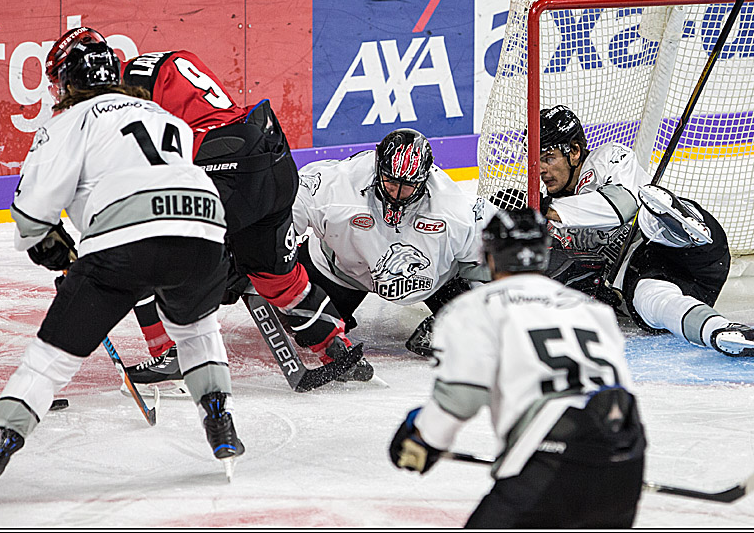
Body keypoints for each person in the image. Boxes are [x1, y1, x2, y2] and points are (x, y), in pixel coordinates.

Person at [0, 29, 243, 509]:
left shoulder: (68, 121)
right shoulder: (163, 114)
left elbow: (32, 214)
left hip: (125, 245)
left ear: (65, 82)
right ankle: (219, 420)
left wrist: (49, 248)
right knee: (195, 328)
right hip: (205, 232)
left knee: (50, 359)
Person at [115, 38, 371, 384]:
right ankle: (334, 345)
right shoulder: (172, 60)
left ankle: (172, 353)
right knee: (276, 275)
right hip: (270, 156)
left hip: (227, 172)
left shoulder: (115, 94)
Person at [389, 206, 646, 528]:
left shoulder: (476, 306)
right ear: (543, 252)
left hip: (549, 455)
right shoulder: (591, 309)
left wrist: (423, 437)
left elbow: (461, 398)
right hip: (626, 455)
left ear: (490, 254)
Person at [532, 105, 754, 358]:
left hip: (690, 248)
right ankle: (720, 330)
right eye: (536, 161)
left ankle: (679, 224)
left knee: (646, 214)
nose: (541, 169)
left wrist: (545, 211)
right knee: (650, 300)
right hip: (665, 277)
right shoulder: (551, 213)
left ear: (574, 151)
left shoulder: (607, 159)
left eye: (548, 158)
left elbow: (622, 206)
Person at [291, 128, 490, 358]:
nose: (396, 194)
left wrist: (472, 313)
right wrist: (267, 257)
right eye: (390, 182)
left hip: (435, 279)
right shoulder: (338, 186)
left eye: (407, 186)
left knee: (478, 333)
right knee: (306, 333)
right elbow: (288, 204)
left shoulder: (454, 209)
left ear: (425, 179)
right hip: (343, 270)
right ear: (378, 168)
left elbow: (489, 263)